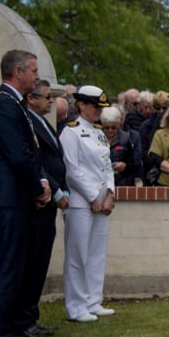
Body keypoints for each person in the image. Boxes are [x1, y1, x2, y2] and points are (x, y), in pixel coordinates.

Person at [0, 49, 50, 337]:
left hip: (13, 199)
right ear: (17, 72)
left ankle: (8, 333)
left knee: (13, 268)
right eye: (33, 70)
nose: (36, 76)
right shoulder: (3, 105)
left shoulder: (12, 104)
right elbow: (18, 155)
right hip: (5, 201)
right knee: (6, 270)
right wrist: (37, 188)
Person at [16, 79, 69, 337]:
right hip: (40, 202)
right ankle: (24, 319)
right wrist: (57, 191)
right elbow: (38, 162)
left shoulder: (44, 122)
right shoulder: (28, 123)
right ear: (32, 99)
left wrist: (64, 188)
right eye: (47, 97)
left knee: (40, 261)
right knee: (33, 261)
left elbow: (57, 159)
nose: (51, 101)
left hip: (51, 201)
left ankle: (30, 315)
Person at [59, 85, 116, 322]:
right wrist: (93, 197)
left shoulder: (99, 132)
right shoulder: (70, 133)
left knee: (96, 253)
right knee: (78, 255)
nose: (98, 112)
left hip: (102, 200)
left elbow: (108, 164)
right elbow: (72, 170)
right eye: (95, 106)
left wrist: (110, 193)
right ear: (81, 105)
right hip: (81, 201)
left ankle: (94, 300)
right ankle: (76, 306)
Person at [101, 106, 140, 186]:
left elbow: (134, 164)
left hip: (122, 182)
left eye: (114, 127)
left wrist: (124, 166)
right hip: (101, 181)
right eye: (107, 127)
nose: (110, 130)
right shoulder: (96, 138)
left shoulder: (125, 138)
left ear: (118, 125)